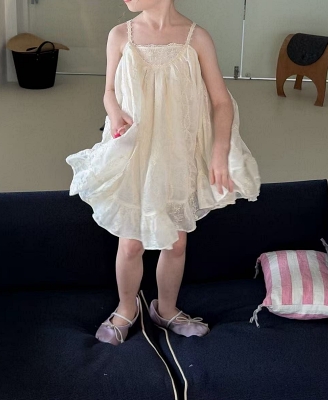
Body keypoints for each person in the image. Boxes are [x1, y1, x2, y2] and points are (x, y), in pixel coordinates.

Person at [65, 0, 261, 346]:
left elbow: (221, 102)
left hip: (176, 156)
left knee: (176, 241)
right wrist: (115, 114)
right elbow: (108, 92)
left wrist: (219, 152)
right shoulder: (120, 35)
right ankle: (126, 308)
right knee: (130, 243)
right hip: (135, 153)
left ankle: (166, 308)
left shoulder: (196, 38)